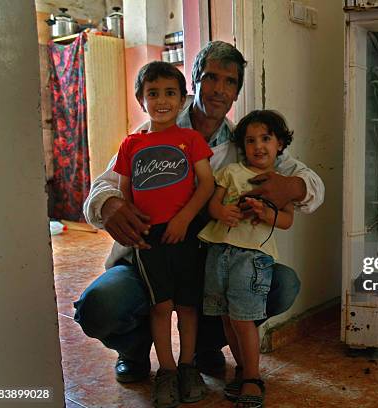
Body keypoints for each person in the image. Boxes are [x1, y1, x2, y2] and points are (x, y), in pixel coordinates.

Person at [74, 41, 325, 384]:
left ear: (237, 92)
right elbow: (101, 189)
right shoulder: (152, 130)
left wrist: (293, 188)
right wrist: (110, 204)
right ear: (194, 81)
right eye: (211, 77)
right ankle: (133, 351)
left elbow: (312, 183)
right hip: (147, 257)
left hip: (206, 263)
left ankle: (207, 345)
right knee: (99, 306)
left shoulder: (243, 145)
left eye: (230, 81)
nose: (219, 89)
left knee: (280, 283)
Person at [113, 61, 214, 406]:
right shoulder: (130, 144)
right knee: (161, 306)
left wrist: (185, 218)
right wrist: (133, 229)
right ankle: (166, 371)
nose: (162, 100)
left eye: (170, 93)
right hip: (149, 238)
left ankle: (188, 366)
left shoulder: (191, 139)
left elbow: (208, 184)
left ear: (183, 99)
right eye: (152, 93)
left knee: (187, 305)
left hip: (185, 233)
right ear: (141, 100)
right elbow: (124, 192)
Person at [199, 110, 294, 407]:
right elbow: (213, 204)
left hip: (251, 259)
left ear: (279, 143)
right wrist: (222, 211)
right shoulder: (230, 172)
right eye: (250, 140)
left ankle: (253, 376)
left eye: (266, 138)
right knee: (228, 318)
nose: (258, 146)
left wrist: (266, 213)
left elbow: (288, 220)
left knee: (244, 321)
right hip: (219, 252)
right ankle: (241, 370)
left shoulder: (280, 181)